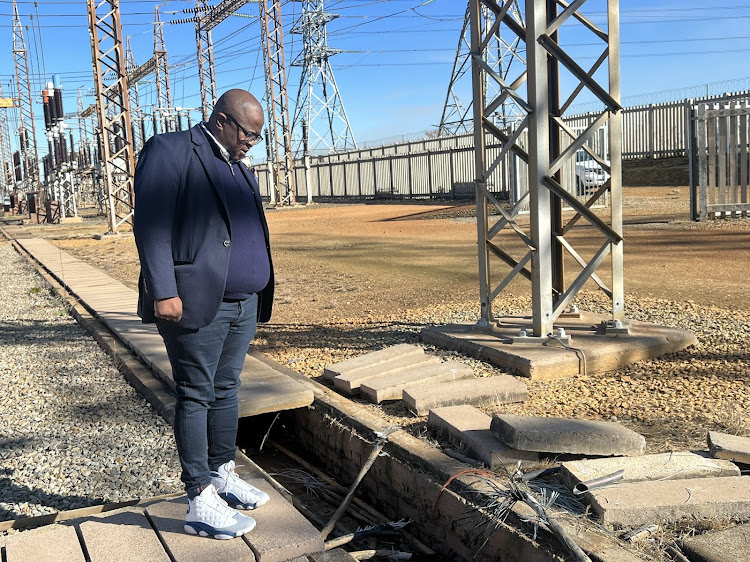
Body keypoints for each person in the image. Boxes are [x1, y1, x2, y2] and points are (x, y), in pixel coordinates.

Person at [133, 89, 274, 540]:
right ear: (221, 120)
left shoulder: (238, 167)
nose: (252, 142)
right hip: (195, 302)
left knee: (227, 386)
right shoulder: (171, 150)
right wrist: (164, 290)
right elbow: (150, 222)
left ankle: (221, 472)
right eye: (248, 134)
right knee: (196, 393)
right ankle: (198, 499)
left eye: (257, 136)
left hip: (242, 303)